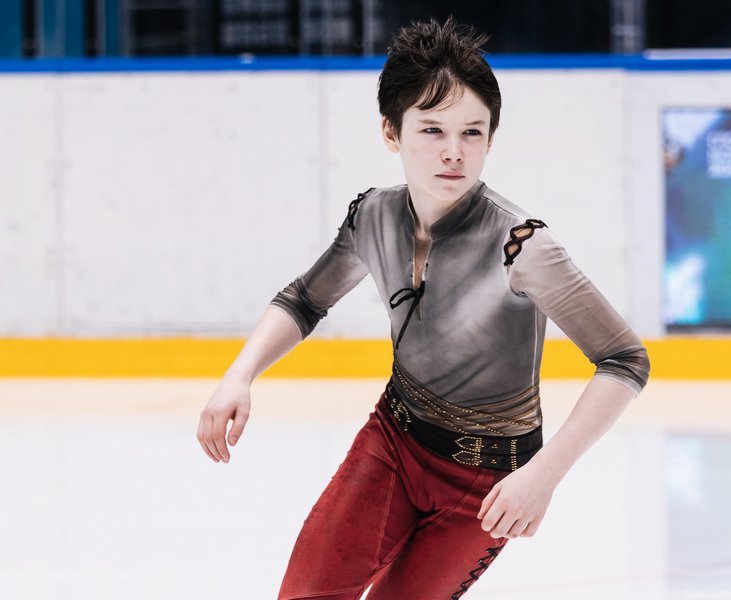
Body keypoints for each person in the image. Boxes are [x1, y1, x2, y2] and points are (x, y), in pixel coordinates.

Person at [197, 17, 649, 600]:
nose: (453, 153)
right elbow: (305, 300)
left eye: (472, 133)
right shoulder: (373, 216)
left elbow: (624, 360)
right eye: (432, 129)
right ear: (392, 131)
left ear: (491, 139)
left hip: (488, 483)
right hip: (393, 441)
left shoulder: (522, 246)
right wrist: (240, 375)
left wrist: (544, 475)